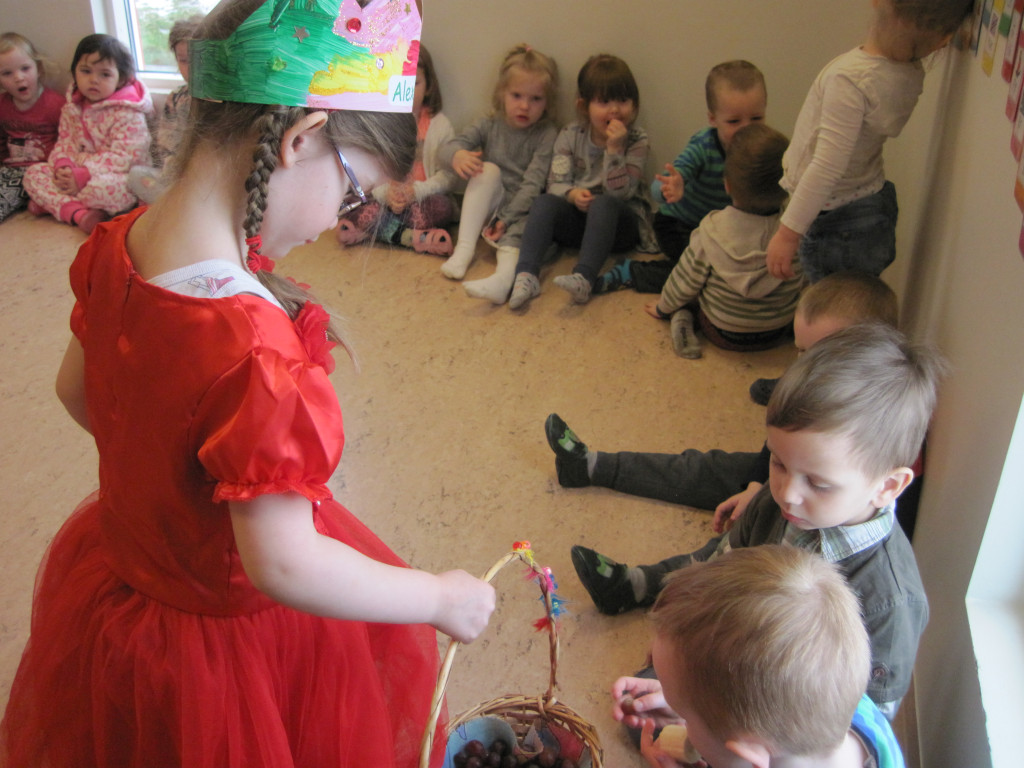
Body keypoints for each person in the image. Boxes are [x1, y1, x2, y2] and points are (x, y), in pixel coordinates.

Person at [0, 2, 495, 768]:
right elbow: (285, 563)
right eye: (353, 192)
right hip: (215, 645)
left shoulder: (116, 244)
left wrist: (167, 473)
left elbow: (77, 392)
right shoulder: (255, 350)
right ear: (300, 139)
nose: (337, 222)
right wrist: (438, 597)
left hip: (125, 579)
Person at [569, 324, 943, 716]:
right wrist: (682, 638)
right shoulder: (772, 501)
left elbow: (867, 724)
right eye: (778, 463)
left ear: (887, 486)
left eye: (818, 483)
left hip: (786, 712)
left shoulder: (890, 602)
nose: (787, 492)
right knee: (646, 702)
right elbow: (719, 574)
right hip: (739, 640)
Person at [546, 271, 899, 526]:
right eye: (800, 351)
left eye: (816, 356)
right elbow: (776, 449)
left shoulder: (883, 422)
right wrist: (757, 484)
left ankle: (641, 583)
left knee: (731, 548)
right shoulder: (818, 386)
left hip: (807, 517)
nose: (802, 366)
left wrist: (764, 496)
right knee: (705, 468)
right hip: (784, 478)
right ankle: (590, 465)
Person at [613, 546, 907, 768]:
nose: (683, 720)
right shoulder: (841, 704)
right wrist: (688, 704)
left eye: (687, 716)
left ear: (750, 758)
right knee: (643, 718)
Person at [765, 0, 974, 283]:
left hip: (837, 220)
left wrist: (788, 234)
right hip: (871, 203)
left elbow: (827, 167)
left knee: (834, 303)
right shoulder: (909, 71)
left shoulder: (849, 80)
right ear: (941, 41)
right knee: (858, 295)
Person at [487, 53, 655, 309]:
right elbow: (555, 182)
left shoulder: (637, 139)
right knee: (544, 201)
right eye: (604, 101)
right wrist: (572, 195)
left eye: (623, 100)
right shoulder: (570, 135)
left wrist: (614, 150)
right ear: (584, 106)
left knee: (604, 203)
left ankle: (584, 277)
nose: (614, 109)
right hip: (578, 220)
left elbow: (621, 194)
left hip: (619, 226)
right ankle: (526, 274)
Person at [596, 60, 767, 295]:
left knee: (740, 269)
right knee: (704, 273)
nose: (746, 128)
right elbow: (661, 184)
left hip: (723, 231)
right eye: (734, 121)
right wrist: (671, 187)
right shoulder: (703, 146)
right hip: (678, 225)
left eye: (756, 118)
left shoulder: (762, 146)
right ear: (713, 119)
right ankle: (631, 271)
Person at [644, 122, 799, 358]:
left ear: (726, 185)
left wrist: (662, 307)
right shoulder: (794, 234)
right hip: (777, 332)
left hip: (722, 331)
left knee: (691, 296)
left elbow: (684, 280)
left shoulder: (711, 230)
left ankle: (683, 318)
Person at [438, 43, 558, 285]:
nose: (525, 106)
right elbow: (446, 149)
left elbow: (533, 186)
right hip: (489, 206)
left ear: (547, 102)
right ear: (502, 93)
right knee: (488, 170)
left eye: (536, 99)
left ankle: (502, 280)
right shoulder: (489, 123)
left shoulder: (546, 134)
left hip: (521, 210)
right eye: (517, 96)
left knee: (526, 228)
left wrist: (505, 219)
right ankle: (464, 250)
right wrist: (457, 155)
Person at [22, 33, 152, 234]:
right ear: (75, 73)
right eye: (86, 71)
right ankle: (80, 214)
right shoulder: (72, 107)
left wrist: (85, 173)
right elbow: (65, 142)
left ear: (120, 79)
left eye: (105, 74)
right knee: (34, 174)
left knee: (112, 189)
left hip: (116, 175)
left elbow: (127, 157)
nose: (93, 80)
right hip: (75, 172)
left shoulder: (128, 112)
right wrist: (63, 166)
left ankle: (56, 204)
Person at [335, 44, 458, 255]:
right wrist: (386, 194)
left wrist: (417, 191)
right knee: (354, 205)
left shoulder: (440, 126)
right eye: (400, 83)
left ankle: (376, 233)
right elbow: (368, 171)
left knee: (442, 207)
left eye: (415, 84)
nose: (407, 91)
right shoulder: (382, 123)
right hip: (383, 199)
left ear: (428, 86)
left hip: (421, 199)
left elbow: (448, 176)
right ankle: (411, 238)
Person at [128, 14, 204, 204]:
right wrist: (177, 179)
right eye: (183, 60)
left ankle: (180, 207)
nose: (191, 68)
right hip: (178, 177)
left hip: (211, 179)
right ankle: (176, 205)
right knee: (136, 176)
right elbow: (167, 146)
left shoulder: (227, 99)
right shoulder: (177, 98)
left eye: (199, 58)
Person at [0, 32, 63, 223]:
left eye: (25, 68)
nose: (19, 78)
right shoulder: (3, 105)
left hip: (41, 171)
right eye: (7, 73)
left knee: (6, 194)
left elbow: (68, 139)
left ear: (38, 68)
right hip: (9, 168)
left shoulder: (54, 104)